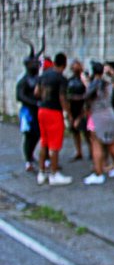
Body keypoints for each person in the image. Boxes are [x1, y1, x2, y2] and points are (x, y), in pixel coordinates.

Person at [34, 52, 72, 186]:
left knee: (44, 142)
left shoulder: (43, 75)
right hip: (54, 112)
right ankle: (54, 174)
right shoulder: (61, 79)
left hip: (42, 110)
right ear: (64, 64)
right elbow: (62, 97)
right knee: (54, 145)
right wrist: (68, 113)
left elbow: (36, 92)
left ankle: (41, 172)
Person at [82, 61, 114, 185]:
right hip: (109, 113)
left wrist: (86, 83)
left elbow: (87, 98)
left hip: (97, 115)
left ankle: (98, 173)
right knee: (112, 142)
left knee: (96, 144)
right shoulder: (109, 84)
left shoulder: (95, 84)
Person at [16, 54, 41, 173]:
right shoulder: (23, 81)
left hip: (38, 111)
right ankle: (28, 160)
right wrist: (34, 103)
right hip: (28, 112)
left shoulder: (38, 79)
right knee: (29, 135)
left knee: (37, 134)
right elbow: (20, 96)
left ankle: (31, 155)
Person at [66, 59, 91, 161]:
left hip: (83, 108)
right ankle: (78, 151)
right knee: (75, 131)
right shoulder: (70, 81)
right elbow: (66, 95)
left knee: (86, 131)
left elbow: (88, 95)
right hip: (73, 108)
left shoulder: (85, 80)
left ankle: (91, 151)